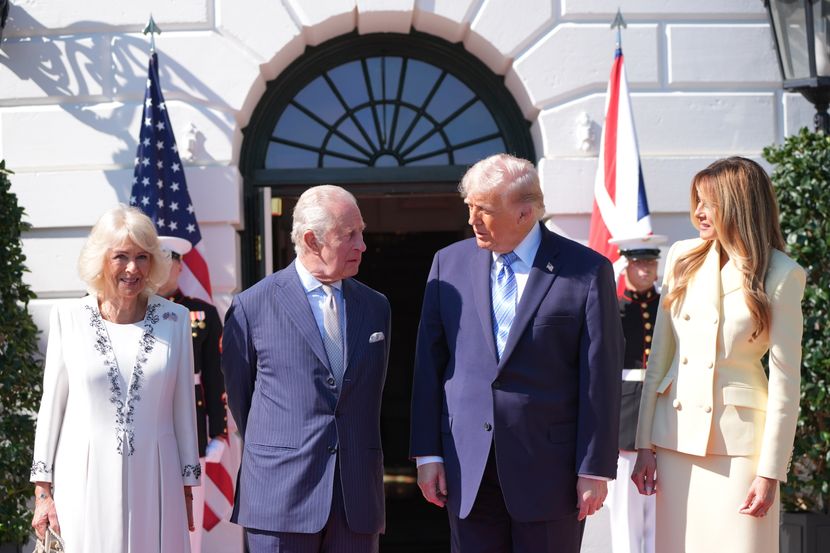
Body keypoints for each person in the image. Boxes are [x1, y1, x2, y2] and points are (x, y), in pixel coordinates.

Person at [410, 154, 624, 553]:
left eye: (484, 210)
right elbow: (429, 366)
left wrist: (594, 468)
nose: (472, 219)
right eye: (469, 207)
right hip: (467, 467)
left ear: (525, 213)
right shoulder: (448, 264)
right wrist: (427, 454)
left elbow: (600, 376)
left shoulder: (586, 270)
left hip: (551, 472)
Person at [631, 157, 806, 553]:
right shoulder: (682, 256)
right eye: (697, 200)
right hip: (675, 439)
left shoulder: (781, 273)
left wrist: (771, 472)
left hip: (742, 450)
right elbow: (659, 359)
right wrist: (644, 445)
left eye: (709, 202)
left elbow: (785, 383)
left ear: (739, 205)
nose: (698, 212)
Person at [222, 185, 391, 553]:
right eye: (350, 234)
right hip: (280, 498)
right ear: (313, 240)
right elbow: (241, 400)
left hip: (356, 500)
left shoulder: (376, 306)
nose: (362, 245)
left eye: (361, 232)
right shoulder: (252, 306)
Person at [30, 205, 201, 553]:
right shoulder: (67, 317)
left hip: (157, 477)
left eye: (142, 257)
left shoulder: (176, 319)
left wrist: (186, 486)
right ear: (101, 260)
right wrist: (43, 492)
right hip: (82, 476)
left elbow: (184, 408)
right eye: (120, 256)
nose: (132, 268)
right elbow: (52, 407)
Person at [157, 235, 228, 553]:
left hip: (192, 425)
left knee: (191, 520)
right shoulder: (136, 312)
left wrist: (219, 432)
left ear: (180, 266)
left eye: (167, 262)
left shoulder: (202, 313)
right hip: (149, 425)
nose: (161, 270)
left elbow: (215, 376)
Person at [604, 235, 667, 553]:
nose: (645, 269)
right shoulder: (613, 308)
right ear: (626, 265)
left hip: (664, 411)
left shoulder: (668, 307)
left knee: (663, 512)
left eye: (650, 262)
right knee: (626, 511)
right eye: (638, 262)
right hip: (626, 413)